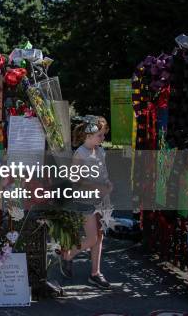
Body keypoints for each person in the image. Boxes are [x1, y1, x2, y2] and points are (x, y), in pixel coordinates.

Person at [59, 115, 113, 289]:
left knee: (99, 237)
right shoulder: (80, 154)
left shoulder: (100, 150)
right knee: (91, 239)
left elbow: (103, 172)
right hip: (85, 200)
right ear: (88, 135)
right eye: (100, 135)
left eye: (103, 135)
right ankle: (67, 256)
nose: (103, 138)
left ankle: (95, 273)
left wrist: (107, 183)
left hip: (101, 199)